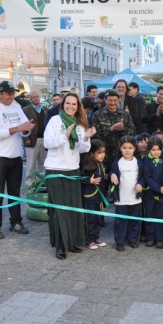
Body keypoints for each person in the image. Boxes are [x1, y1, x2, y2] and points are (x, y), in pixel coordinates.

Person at [44, 93, 95, 259]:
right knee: (60, 210)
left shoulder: (79, 124)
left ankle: (71, 242)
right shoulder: (54, 121)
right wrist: (64, 136)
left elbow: (82, 149)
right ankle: (60, 245)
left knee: (73, 208)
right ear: (63, 104)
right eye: (68, 103)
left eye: (74, 104)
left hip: (72, 170)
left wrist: (86, 138)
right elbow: (47, 143)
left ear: (78, 106)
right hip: (55, 170)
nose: (71, 107)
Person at [0, 80, 35, 240]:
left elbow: (23, 131)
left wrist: (27, 129)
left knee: (14, 192)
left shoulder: (17, 107)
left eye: (13, 94)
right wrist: (17, 128)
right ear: (0, 94)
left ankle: (16, 222)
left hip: (16, 156)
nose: (11, 97)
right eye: (8, 94)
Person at [110, 135, 144, 251]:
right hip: (121, 198)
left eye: (130, 148)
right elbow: (111, 172)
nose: (127, 150)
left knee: (134, 220)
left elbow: (143, 177)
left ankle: (133, 239)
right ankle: (120, 241)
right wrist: (112, 175)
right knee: (120, 221)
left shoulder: (138, 163)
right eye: (125, 148)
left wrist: (140, 184)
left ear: (134, 148)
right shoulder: (116, 163)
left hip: (135, 198)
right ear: (120, 148)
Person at [91, 89, 136, 168]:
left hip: (121, 155)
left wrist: (123, 129)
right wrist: (109, 130)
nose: (112, 103)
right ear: (105, 100)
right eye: (110, 100)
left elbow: (133, 133)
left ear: (118, 100)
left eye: (115, 100)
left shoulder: (125, 115)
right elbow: (93, 136)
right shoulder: (97, 115)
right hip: (102, 156)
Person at [142, 136, 163, 248]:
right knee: (149, 214)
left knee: (161, 215)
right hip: (150, 193)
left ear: (162, 149)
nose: (155, 152)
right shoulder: (146, 161)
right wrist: (158, 188)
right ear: (149, 149)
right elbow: (147, 177)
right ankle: (151, 237)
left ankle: (160, 238)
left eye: (158, 150)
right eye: (153, 150)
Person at [81, 139, 108, 250]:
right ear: (92, 153)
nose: (102, 155)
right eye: (99, 152)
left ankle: (96, 237)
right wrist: (89, 182)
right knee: (90, 220)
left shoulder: (102, 164)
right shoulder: (88, 166)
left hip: (99, 198)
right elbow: (80, 180)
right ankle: (89, 240)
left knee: (98, 219)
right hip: (90, 199)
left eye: (103, 152)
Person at [22, 91, 48, 186]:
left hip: (44, 140)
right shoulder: (26, 110)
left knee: (43, 163)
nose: (36, 98)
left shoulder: (45, 109)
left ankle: (42, 183)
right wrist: (26, 139)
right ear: (30, 99)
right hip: (32, 140)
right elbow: (22, 125)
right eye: (33, 97)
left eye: (37, 96)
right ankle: (30, 184)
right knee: (31, 164)